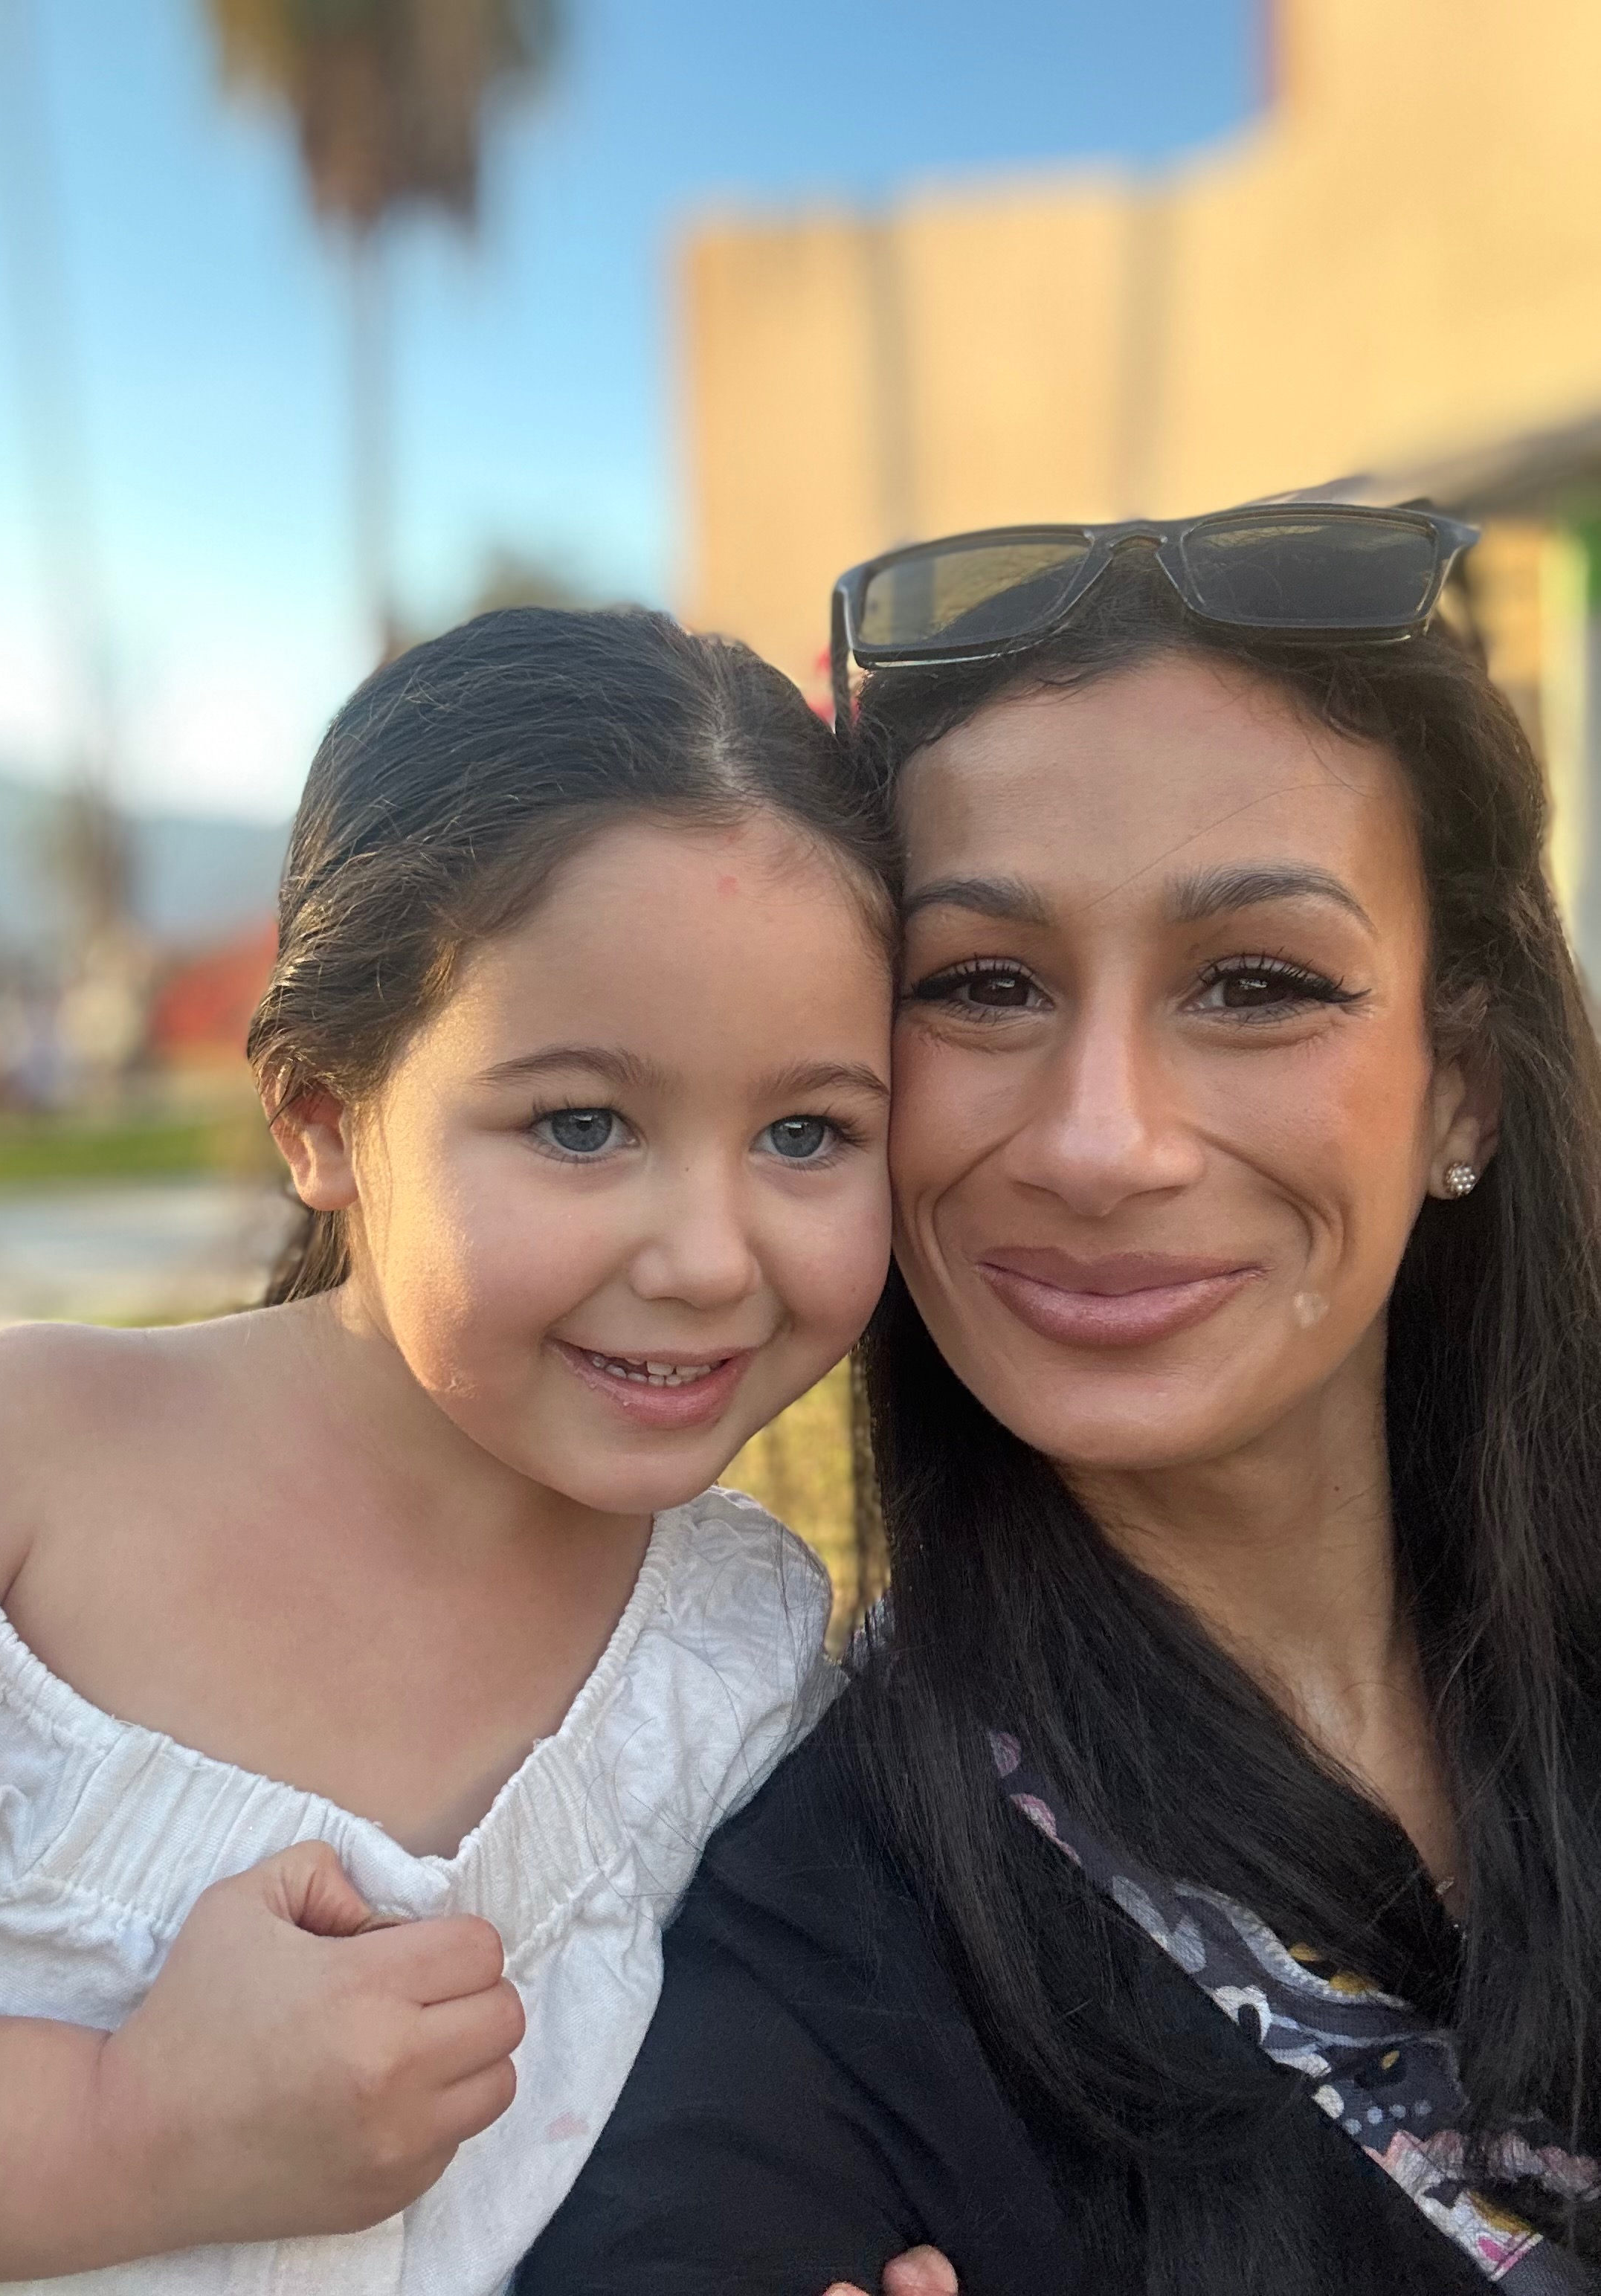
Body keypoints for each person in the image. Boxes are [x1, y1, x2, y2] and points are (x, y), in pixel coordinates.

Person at [518, 509, 1601, 2295]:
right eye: (983, 985)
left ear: (1462, 1085)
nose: (1102, 1141)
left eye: (1256, 982)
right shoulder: (808, 1945)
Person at [0, 607, 908, 2293]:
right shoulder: (6, 1483)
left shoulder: (736, 1651)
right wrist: (126, 2131)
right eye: (582, 1123)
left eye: (808, 1131)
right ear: (321, 1115)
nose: (712, 1257)